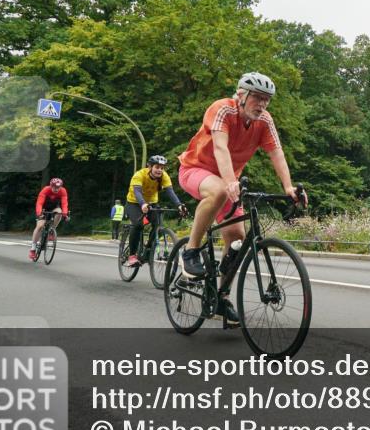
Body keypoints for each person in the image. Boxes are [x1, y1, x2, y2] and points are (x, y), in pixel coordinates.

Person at [177, 72, 306, 320]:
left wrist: (289, 188)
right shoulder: (223, 109)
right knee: (217, 191)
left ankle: (220, 298)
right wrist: (229, 181)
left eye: (267, 99)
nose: (262, 104)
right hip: (196, 169)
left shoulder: (265, 121)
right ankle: (191, 250)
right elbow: (220, 147)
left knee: (237, 238)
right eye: (257, 97)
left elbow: (276, 153)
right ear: (241, 95)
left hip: (229, 181)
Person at [123, 155, 188, 267]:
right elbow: (137, 192)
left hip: (152, 203)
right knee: (138, 225)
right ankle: (132, 256)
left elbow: (170, 192)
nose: (160, 170)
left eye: (162, 168)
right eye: (157, 167)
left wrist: (179, 205)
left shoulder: (164, 176)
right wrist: (143, 203)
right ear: (150, 166)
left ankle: (148, 251)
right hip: (134, 202)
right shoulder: (139, 175)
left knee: (158, 225)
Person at [30, 178, 69, 261]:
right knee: (40, 226)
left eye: (58, 187)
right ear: (51, 186)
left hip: (54, 208)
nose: (56, 189)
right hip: (43, 209)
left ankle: (52, 230)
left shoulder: (63, 191)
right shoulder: (46, 190)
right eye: (54, 187)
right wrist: (39, 214)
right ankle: (33, 249)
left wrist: (65, 214)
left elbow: (64, 203)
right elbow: (39, 203)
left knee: (60, 212)